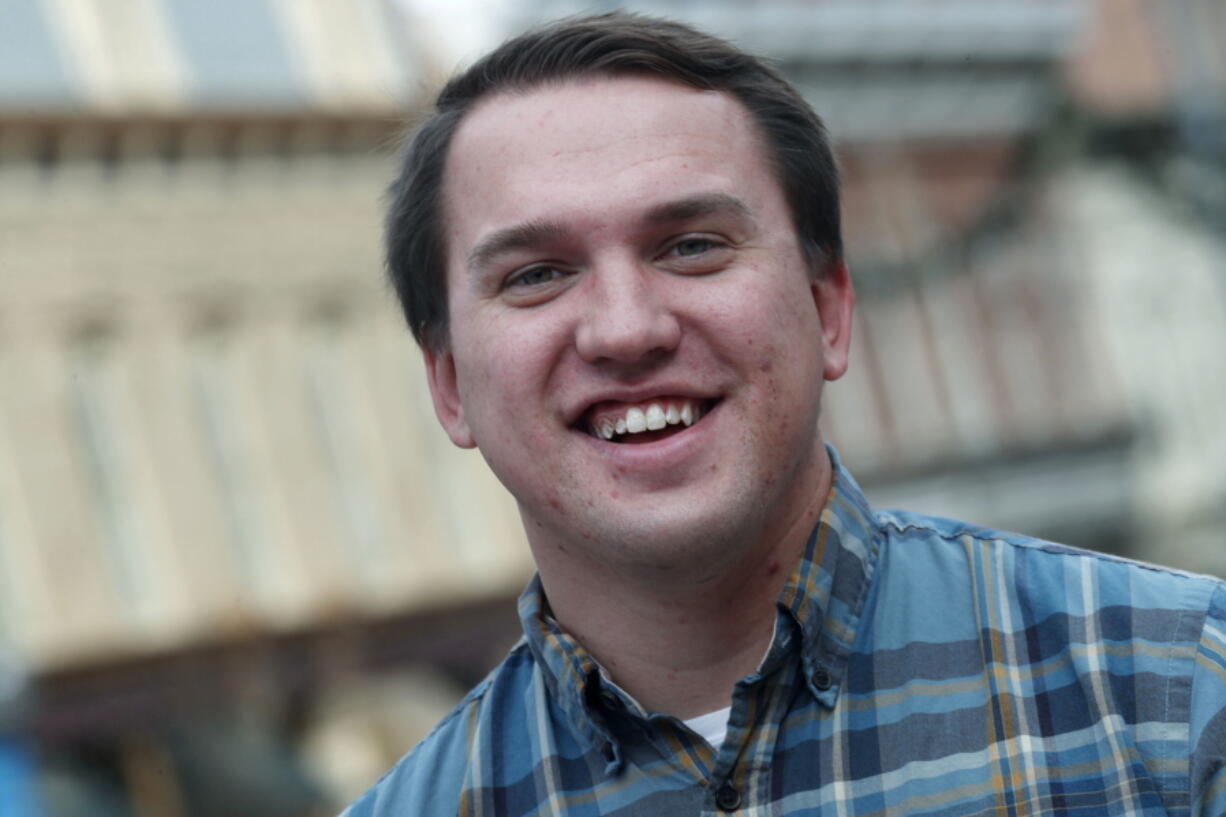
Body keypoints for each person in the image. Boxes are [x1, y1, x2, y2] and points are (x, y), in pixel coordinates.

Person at [344, 12, 1226, 816]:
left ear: (828, 310)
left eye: (692, 247)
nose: (625, 328)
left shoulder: (1178, 693)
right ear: (450, 383)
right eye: (536, 273)